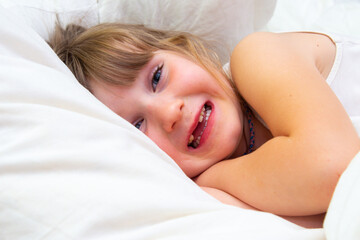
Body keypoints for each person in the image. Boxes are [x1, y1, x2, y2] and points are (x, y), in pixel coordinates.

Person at [48, 22, 360, 228]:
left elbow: (331, 168)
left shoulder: (257, 56)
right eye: (138, 125)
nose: (170, 112)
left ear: (181, 47)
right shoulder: (199, 198)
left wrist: (214, 177)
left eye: (157, 77)